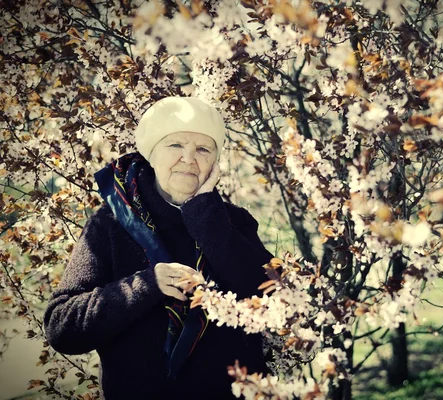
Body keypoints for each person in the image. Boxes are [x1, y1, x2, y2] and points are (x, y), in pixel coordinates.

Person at [44, 96, 273, 399]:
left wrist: (206, 217)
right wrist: (146, 285)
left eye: (203, 149)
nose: (189, 158)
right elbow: (62, 327)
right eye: (175, 145)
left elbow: (273, 299)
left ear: (215, 162)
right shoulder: (111, 225)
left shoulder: (235, 222)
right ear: (151, 154)